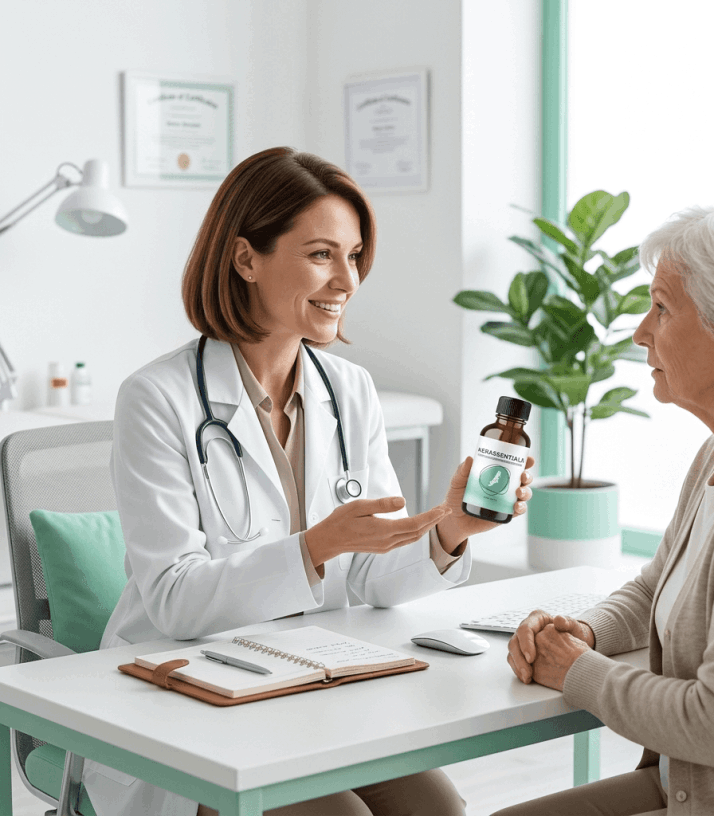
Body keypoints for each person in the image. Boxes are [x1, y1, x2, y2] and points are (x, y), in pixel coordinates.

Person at [81, 147, 536, 816]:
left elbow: (372, 579)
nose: (346, 280)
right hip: (188, 695)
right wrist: (314, 548)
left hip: (308, 682)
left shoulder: (350, 390)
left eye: (354, 256)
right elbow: (175, 601)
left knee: (437, 808)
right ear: (246, 259)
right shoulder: (157, 396)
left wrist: (450, 531)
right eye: (322, 254)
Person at [494, 194, 714, 816]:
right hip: (684, 788)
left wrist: (577, 671)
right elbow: (655, 587)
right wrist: (585, 631)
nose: (641, 331)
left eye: (662, 309)